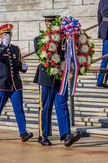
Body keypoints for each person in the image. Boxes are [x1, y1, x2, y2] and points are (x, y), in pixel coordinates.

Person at [34, 15, 82, 147]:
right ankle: (43, 135)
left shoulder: (64, 40)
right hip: (46, 78)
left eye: (54, 23)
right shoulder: (39, 40)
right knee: (45, 106)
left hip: (60, 77)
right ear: (45, 24)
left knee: (62, 105)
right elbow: (42, 55)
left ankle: (66, 135)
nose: (51, 25)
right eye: (49, 23)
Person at [0, 23, 33, 142]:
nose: (8, 36)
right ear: (1, 36)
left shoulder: (15, 49)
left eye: (10, 34)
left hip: (15, 84)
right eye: (6, 35)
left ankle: (23, 133)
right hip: (1, 84)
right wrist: (4, 45)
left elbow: (17, 65)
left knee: (19, 109)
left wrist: (23, 67)